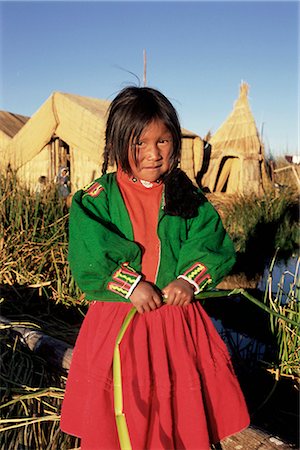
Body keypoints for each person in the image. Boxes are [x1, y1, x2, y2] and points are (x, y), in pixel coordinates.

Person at [60, 86, 250, 449]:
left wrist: (188, 279)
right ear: (117, 144)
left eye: (163, 142)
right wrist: (130, 284)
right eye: (139, 143)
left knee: (177, 408)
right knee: (122, 408)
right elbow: (89, 249)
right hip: (121, 321)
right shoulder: (97, 200)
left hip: (175, 321)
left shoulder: (185, 196)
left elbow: (211, 241)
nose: (152, 153)